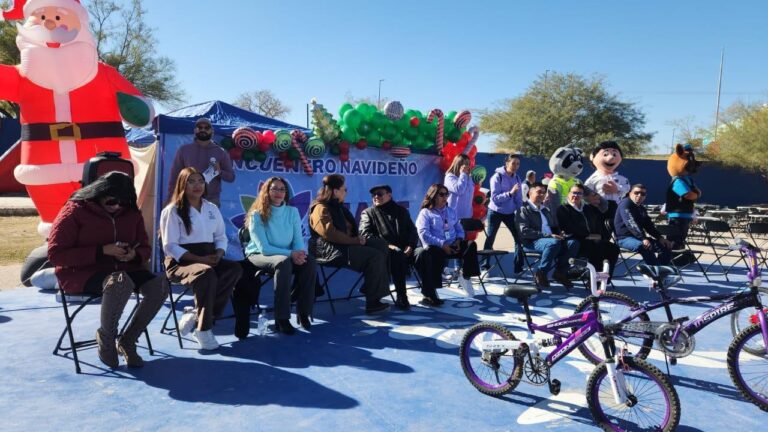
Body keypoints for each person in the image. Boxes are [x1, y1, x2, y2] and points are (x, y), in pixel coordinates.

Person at [48, 172, 168, 369]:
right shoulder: (74, 211)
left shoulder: (131, 212)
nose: (118, 206)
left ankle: (128, 340)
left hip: (125, 268)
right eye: (113, 201)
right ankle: (107, 336)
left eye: (124, 202)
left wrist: (133, 255)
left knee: (160, 285)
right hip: (82, 273)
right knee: (120, 281)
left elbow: (145, 248)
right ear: (99, 193)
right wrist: (101, 251)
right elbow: (56, 254)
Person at [160, 167, 243, 350]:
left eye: (200, 181)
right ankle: (204, 328)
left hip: (208, 257)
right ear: (183, 184)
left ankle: (199, 315)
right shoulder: (172, 210)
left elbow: (221, 237)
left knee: (233, 269)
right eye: (191, 181)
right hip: (180, 262)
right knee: (206, 274)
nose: (197, 185)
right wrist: (201, 259)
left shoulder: (211, 208)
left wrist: (219, 254)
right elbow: (170, 246)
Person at [242, 177, 316, 335]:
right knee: (283, 262)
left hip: (286, 254)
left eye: (282, 189)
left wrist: (299, 254)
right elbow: (265, 248)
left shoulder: (292, 211)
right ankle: (282, 318)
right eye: (274, 188)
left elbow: (298, 240)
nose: (278, 192)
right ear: (266, 192)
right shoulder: (256, 214)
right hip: (259, 254)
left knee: (309, 262)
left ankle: (304, 313)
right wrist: (291, 254)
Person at [308, 174, 390, 314]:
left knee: (380, 244)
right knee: (374, 256)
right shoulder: (320, 208)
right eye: (344, 189)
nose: (346, 192)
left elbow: (350, 231)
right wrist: (355, 241)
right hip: (328, 250)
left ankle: (369, 286)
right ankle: (372, 302)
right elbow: (329, 233)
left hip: (344, 245)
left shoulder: (340, 208)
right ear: (335, 191)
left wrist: (360, 239)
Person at [359, 184, 421, 310]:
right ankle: (401, 296)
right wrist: (388, 246)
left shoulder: (401, 211)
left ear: (389, 195)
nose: (376, 197)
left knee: (424, 253)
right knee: (397, 255)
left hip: (406, 250)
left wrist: (410, 245)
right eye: (373, 195)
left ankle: (430, 293)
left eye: (380, 194)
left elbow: (413, 231)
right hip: (383, 252)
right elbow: (365, 235)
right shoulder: (368, 213)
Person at [415, 184, 481, 302]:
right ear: (433, 196)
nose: (445, 197)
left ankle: (464, 275)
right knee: (432, 252)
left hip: (453, 244)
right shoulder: (425, 212)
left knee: (471, 244)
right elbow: (423, 234)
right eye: (441, 194)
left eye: (447, 194)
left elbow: (459, 229)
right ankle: (431, 292)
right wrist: (442, 244)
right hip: (437, 247)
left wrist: (459, 240)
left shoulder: (450, 211)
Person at [515, 182, 579, 288]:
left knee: (573, 243)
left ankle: (560, 272)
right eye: (539, 192)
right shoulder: (523, 209)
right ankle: (541, 272)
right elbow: (524, 232)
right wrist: (549, 236)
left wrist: (559, 233)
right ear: (530, 193)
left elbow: (553, 226)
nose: (542, 195)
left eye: (544, 193)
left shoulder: (545, 210)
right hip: (532, 242)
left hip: (551, 240)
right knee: (553, 243)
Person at [168, 118, 235, 207]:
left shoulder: (221, 152)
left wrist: (219, 172)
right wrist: (171, 198)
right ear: (195, 131)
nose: (203, 130)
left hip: (211, 201)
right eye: (200, 127)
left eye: (206, 128)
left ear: (212, 131)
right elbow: (175, 176)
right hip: (187, 199)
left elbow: (231, 177)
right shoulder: (184, 150)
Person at [556, 184, 619, 278]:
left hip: (591, 239)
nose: (576, 195)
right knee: (596, 248)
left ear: (582, 196)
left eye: (579, 193)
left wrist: (600, 236)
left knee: (613, 248)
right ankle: (591, 276)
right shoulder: (563, 209)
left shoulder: (588, 208)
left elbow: (597, 224)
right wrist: (589, 236)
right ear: (568, 194)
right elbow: (569, 228)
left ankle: (605, 278)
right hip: (575, 239)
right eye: (574, 193)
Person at [615, 184, 674, 265]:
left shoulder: (641, 208)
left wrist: (660, 238)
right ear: (630, 193)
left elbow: (649, 226)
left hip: (639, 238)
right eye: (636, 192)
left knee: (665, 246)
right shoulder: (625, 204)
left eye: (643, 194)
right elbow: (631, 223)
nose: (639, 195)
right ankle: (655, 272)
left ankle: (662, 271)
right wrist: (643, 238)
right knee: (645, 246)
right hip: (624, 239)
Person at [483, 154, 524, 268]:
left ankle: (518, 265)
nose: (515, 166)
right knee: (490, 237)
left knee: (518, 237)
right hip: (495, 212)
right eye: (513, 163)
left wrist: (521, 210)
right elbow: (495, 199)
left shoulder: (517, 178)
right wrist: (510, 193)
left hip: (509, 213)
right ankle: (484, 264)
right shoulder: (497, 177)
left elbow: (518, 198)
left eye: (518, 164)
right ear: (507, 163)